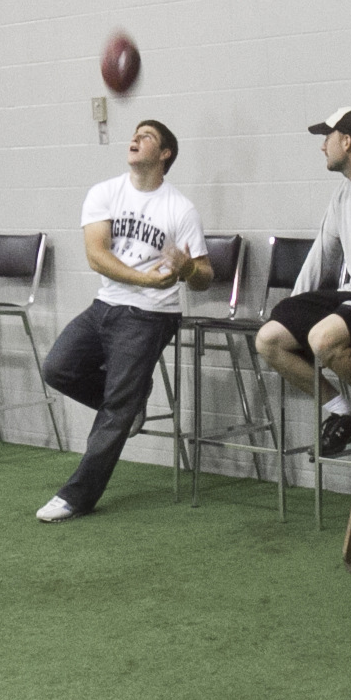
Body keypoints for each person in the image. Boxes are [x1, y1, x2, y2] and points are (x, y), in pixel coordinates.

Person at [35, 119, 213, 521]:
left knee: (115, 407)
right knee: (57, 368)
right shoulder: (105, 193)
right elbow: (97, 255)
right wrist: (142, 278)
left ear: (165, 154)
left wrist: (185, 269)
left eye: (146, 136)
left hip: (152, 315)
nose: (134, 139)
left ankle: (76, 497)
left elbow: (204, 278)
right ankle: (129, 405)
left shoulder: (180, 209)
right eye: (134, 133)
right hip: (106, 304)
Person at [256, 106, 351, 457]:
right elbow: (321, 257)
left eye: (327, 138)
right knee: (269, 339)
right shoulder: (342, 195)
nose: (323, 146)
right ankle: (345, 413)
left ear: (347, 140)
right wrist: (294, 311)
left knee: (323, 340)